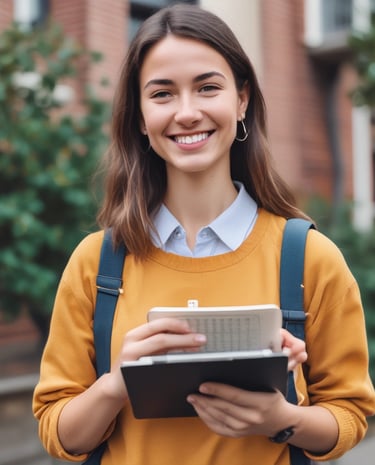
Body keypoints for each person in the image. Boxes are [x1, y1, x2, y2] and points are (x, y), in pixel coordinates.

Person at [33, 4, 375, 465]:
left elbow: (350, 416)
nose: (187, 112)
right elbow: (59, 434)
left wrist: (278, 417)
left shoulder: (309, 259)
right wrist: (118, 381)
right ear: (139, 116)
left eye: (208, 87)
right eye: (162, 94)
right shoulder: (97, 263)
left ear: (242, 100)